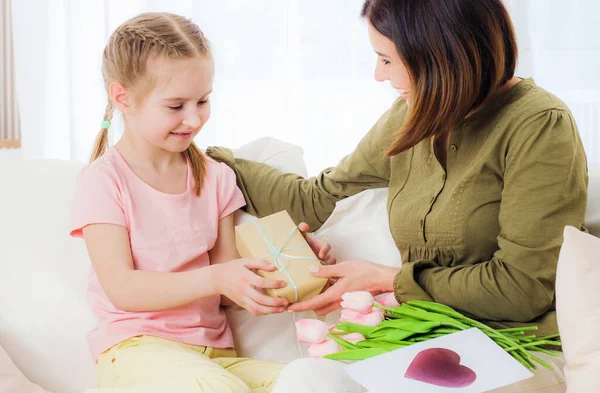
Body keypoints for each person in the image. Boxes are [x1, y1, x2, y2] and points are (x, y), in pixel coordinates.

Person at [208, 0, 588, 392]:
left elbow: (521, 288)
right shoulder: (412, 115)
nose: (377, 74)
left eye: (386, 59)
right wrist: (200, 155)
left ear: (439, 53)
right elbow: (316, 197)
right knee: (308, 378)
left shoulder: (539, 126)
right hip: (419, 337)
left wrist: (387, 280)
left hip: (518, 347)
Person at [69, 12, 336, 393]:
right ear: (122, 97)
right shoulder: (103, 180)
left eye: (203, 101)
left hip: (216, 356)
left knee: (317, 381)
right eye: (176, 106)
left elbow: (229, 288)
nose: (193, 119)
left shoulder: (215, 178)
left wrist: (293, 265)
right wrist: (215, 277)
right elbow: (123, 288)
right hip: (136, 352)